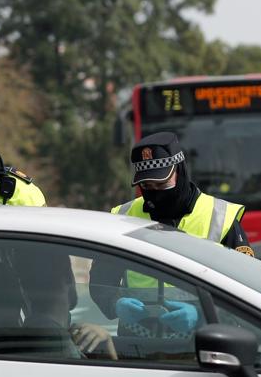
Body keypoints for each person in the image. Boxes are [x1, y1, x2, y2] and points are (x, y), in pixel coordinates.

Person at [101, 132, 250, 338]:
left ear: (180, 171)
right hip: (136, 344)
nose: (155, 193)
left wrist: (201, 315)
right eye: (147, 186)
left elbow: (247, 293)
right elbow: (101, 278)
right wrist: (114, 303)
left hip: (201, 341)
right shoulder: (122, 217)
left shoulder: (220, 217)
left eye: (162, 184)